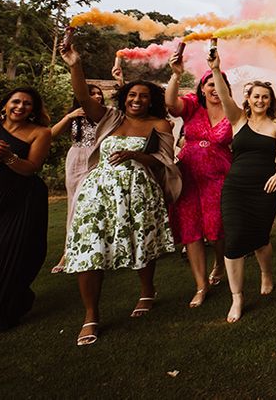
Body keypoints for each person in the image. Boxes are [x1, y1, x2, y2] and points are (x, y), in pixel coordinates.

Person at [61, 43, 176, 346]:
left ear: (152, 101)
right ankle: (90, 316)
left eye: (144, 96)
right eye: (133, 95)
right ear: (125, 98)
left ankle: (147, 290)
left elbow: (164, 160)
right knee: (90, 248)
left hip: (139, 190)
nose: (138, 100)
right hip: (98, 192)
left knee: (142, 243)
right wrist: (75, 63)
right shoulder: (110, 118)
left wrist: (136, 156)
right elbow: (84, 97)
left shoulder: (159, 124)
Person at [209, 47, 276, 323]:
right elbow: (222, 95)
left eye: (265, 97)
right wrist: (216, 70)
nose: (260, 100)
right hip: (236, 188)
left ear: (270, 101)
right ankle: (237, 297)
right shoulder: (238, 120)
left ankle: (266, 273)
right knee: (234, 240)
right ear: (249, 98)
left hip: (266, 187)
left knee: (260, 240)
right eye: (256, 96)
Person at [166, 54, 233, 308]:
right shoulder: (193, 106)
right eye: (210, 84)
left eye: (220, 84)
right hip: (188, 177)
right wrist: (175, 75)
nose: (215, 89)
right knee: (191, 231)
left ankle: (219, 262)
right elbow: (171, 104)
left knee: (217, 230)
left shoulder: (231, 111)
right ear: (202, 89)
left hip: (218, 177)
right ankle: (200, 285)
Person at [0, 88, 51, 338]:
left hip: (20, 202)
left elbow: (31, 168)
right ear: (5, 105)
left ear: (33, 109)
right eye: (16, 101)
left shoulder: (39, 133)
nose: (20, 107)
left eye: (27, 104)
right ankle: (16, 300)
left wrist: (10, 157)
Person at [49, 85, 105, 274]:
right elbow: (50, 135)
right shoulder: (75, 117)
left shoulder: (104, 116)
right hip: (75, 161)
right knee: (73, 204)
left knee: (85, 205)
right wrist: (69, 116)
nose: (97, 96)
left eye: (99, 94)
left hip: (96, 160)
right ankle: (70, 250)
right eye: (93, 93)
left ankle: (74, 251)